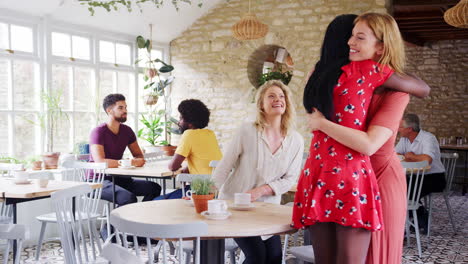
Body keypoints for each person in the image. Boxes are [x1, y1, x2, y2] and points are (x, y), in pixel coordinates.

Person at [293, 13, 430, 264]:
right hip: (348, 172)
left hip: (357, 172)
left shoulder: (332, 73)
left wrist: (322, 124)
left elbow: (369, 144)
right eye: (349, 36)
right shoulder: (357, 72)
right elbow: (423, 88)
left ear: (381, 46)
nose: (350, 42)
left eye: (359, 37)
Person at [213, 80, 304, 264]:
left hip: (267, 210)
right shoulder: (246, 131)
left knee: (275, 258)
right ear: (261, 104)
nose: (277, 99)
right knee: (257, 257)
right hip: (235, 206)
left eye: (281, 96)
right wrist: (204, 195)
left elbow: (291, 178)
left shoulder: (296, 140)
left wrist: (261, 190)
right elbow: (224, 166)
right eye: (271, 96)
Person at [90, 93, 161, 206]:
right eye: (120, 108)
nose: (125, 110)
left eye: (125, 107)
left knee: (154, 188)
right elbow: (100, 162)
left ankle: (138, 220)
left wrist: (137, 160)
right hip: (98, 180)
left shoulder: (127, 131)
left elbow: (138, 155)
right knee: (127, 198)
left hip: (120, 178)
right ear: (109, 111)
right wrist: (128, 162)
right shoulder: (98, 132)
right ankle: (116, 224)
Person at [155, 99, 222, 200]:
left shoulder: (189, 134)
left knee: (157, 201)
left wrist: (180, 166)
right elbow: (203, 161)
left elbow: (172, 166)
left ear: (190, 123)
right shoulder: (210, 134)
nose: (179, 122)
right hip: (216, 191)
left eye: (181, 118)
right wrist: (187, 168)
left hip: (199, 191)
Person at [395, 113, 445, 230]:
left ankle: (417, 218)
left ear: (409, 129)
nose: (398, 129)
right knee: (397, 187)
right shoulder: (404, 139)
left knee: (407, 190)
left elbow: (427, 159)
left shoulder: (428, 138)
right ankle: (419, 216)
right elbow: (394, 154)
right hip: (415, 176)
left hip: (435, 178)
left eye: (400, 127)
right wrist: (409, 157)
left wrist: (411, 156)